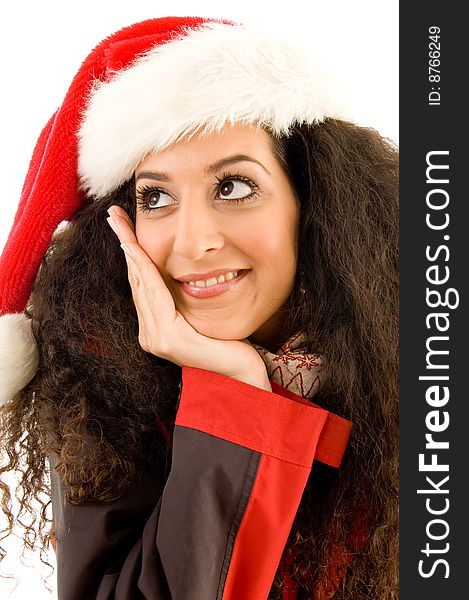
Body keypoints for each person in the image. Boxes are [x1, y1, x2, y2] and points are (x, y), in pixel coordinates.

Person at [0, 16, 398, 600]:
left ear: (312, 200)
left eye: (233, 187)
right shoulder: (99, 390)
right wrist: (234, 394)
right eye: (155, 197)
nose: (191, 243)